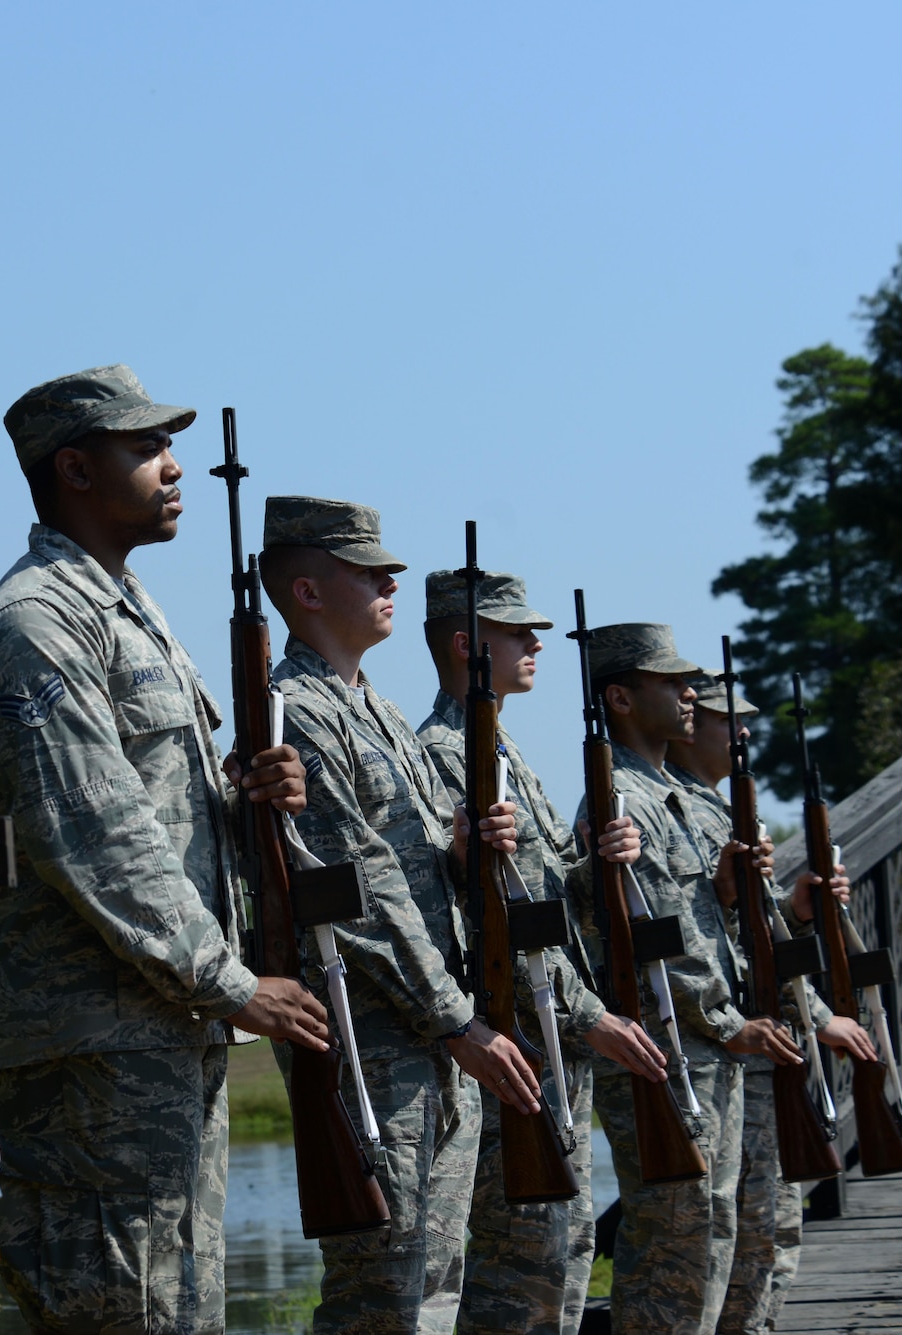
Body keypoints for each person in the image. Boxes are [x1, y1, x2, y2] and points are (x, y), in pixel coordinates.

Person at [0, 367, 330, 1332]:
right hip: (93, 1048)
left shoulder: (131, 612)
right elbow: (96, 835)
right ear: (73, 468)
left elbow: (162, 813)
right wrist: (231, 980)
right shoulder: (37, 625)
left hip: (154, 1031)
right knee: (126, 1310)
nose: (174, 467)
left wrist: (251, 795)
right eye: (145, 448)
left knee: (176, 1309)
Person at [255, 500, 527, 1334]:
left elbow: (418, 874)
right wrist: (457, 1022)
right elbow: (362, 886)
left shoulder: (380, 711)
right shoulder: (299, 709)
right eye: (366, 567)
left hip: (431, 1032)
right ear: (306, 588)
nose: (390, 578)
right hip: (378, 1032)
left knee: (435, 1284)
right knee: (385, 1294)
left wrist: (467, 849)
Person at [414, 569, 667, 1335]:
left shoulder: (508, 753)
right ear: (468, 645)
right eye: (516, 629)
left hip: (556, 1038)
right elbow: (488, 918)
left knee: (562, 1256)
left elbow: (551, 896)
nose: (535, 641)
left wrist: (598, 862)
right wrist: (588, 1014)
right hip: (522, 1037)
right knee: (521, 1271)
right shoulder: (443, 754)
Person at [568, 624, 800, 1334]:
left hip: (704, 1044)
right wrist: (730, 1023)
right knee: (679, 1236)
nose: (690, 692)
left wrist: (729, 890)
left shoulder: (669, 793)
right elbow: (649, 949)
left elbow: (694, 925)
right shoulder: (620, 801)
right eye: (670, 682)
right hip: (674, 1044)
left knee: (712, 1229)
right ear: (621, 697)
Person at [664, 673, 875, 1335]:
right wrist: (818, 1018)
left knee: (770, 1240)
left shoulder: (716, 807)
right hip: (730, 1048)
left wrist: (796, 911)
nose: (746, 732)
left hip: (759, 1047)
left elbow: (746, 936)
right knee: (744, 1241)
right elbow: (699, 941)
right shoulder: (676, 806)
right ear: (690, 720)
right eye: (732, 719)